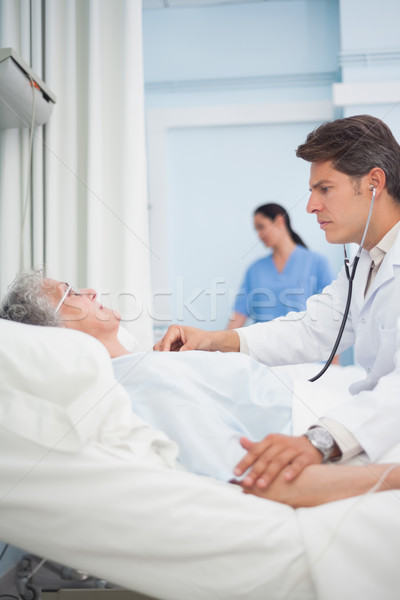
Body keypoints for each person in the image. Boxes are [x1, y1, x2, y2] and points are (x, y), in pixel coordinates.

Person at [0, 270, 399, 514]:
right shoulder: (137, 383)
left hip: (346, 405)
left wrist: (211, 342)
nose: (89, 292)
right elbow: (262, 481)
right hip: (343, 433)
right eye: (70, 294)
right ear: (56, 332)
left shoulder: (151, 364)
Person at [154, 114, 400, 493]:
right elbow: (312, 327)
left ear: (373, 182)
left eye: (325, 189)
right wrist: (213, 340)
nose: (311, 206)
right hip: (373, 424)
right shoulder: (365, 261)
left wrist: (320, 441)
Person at [228, 203, 334, 329]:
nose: (258, 234)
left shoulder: (317, 262)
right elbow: (239, 315)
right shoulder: (255, 269)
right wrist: (218, 344)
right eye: (256, 230)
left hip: (303, 345)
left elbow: (330, 312)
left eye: (261, 227)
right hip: (261, 345)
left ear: (279, 221)